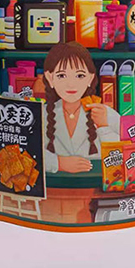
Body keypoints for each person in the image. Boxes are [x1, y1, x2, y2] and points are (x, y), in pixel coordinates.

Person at [43, 41, 120, 174]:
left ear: (90, 78)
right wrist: (58, 163)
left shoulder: (104, 113)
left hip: (98, 184)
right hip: (53, 184)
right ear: (50, 78)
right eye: (61, 75)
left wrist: (103, 127)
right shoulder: (41, 114)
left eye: (80, 76)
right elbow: (27, 153)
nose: (71, 84)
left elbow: (124, 155)